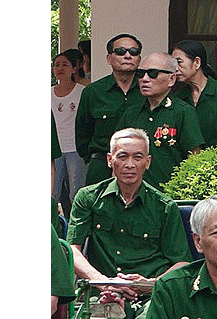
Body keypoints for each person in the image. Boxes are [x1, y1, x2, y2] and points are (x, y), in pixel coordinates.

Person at [67, 128, 192, 309]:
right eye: (123, 156)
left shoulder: (164, 206)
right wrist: (103, 281)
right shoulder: (88, 198)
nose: (130, 164)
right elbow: (72, 250)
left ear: (147, 162)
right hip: (102, 293)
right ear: (110, 160)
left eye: (138, 157)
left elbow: (182, 262)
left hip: (150, 297)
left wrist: (149, 284)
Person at [121, 52, 205, 188]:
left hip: (169, 195)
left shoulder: (183, 112)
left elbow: (194, 158)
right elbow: (118, 156)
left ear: (171, 79)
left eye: (153, 73)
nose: (145, 79)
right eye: (141, 73)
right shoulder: (132, 113)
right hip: (134, 195)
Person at [75, 33, 143, 185]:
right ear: (109, 58)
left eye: (133, 52)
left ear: (139, 58)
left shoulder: (148, 89)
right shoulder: (93, 92)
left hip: (140, 168)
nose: (127, 56)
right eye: (120, 52)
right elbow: (82, 134)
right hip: (102, 166)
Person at [170, 39, 217, 148]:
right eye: (173, 64)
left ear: (197, 62)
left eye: (179, 62)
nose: (175, 68)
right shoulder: (179, 97)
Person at [52, 49, 87, 208]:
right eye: (56, 65)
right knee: (53, 192)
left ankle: (76, 228)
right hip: (53, 148)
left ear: (74, 68)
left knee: (76, 193)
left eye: (64, 65)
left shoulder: (83, 91)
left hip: (75, 148)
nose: (60, 68)